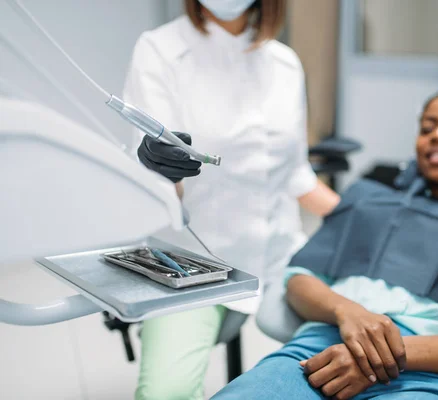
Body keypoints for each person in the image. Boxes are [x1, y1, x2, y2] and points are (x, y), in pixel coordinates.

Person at [211, 89, 438, 400]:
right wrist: (348, 311)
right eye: (428, 128)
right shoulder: (368, 201)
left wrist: (384, 354)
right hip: (321, 350)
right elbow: (300, 279)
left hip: (431, 373)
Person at [123, 1, 340, 399]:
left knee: (358, 362)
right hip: (192, 261)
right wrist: (161, 171)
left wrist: (357, 215)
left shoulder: (285, 63)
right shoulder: (159, 49)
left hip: (282, 256)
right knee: (164, 394)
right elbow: (157, 190)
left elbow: (294, 175)